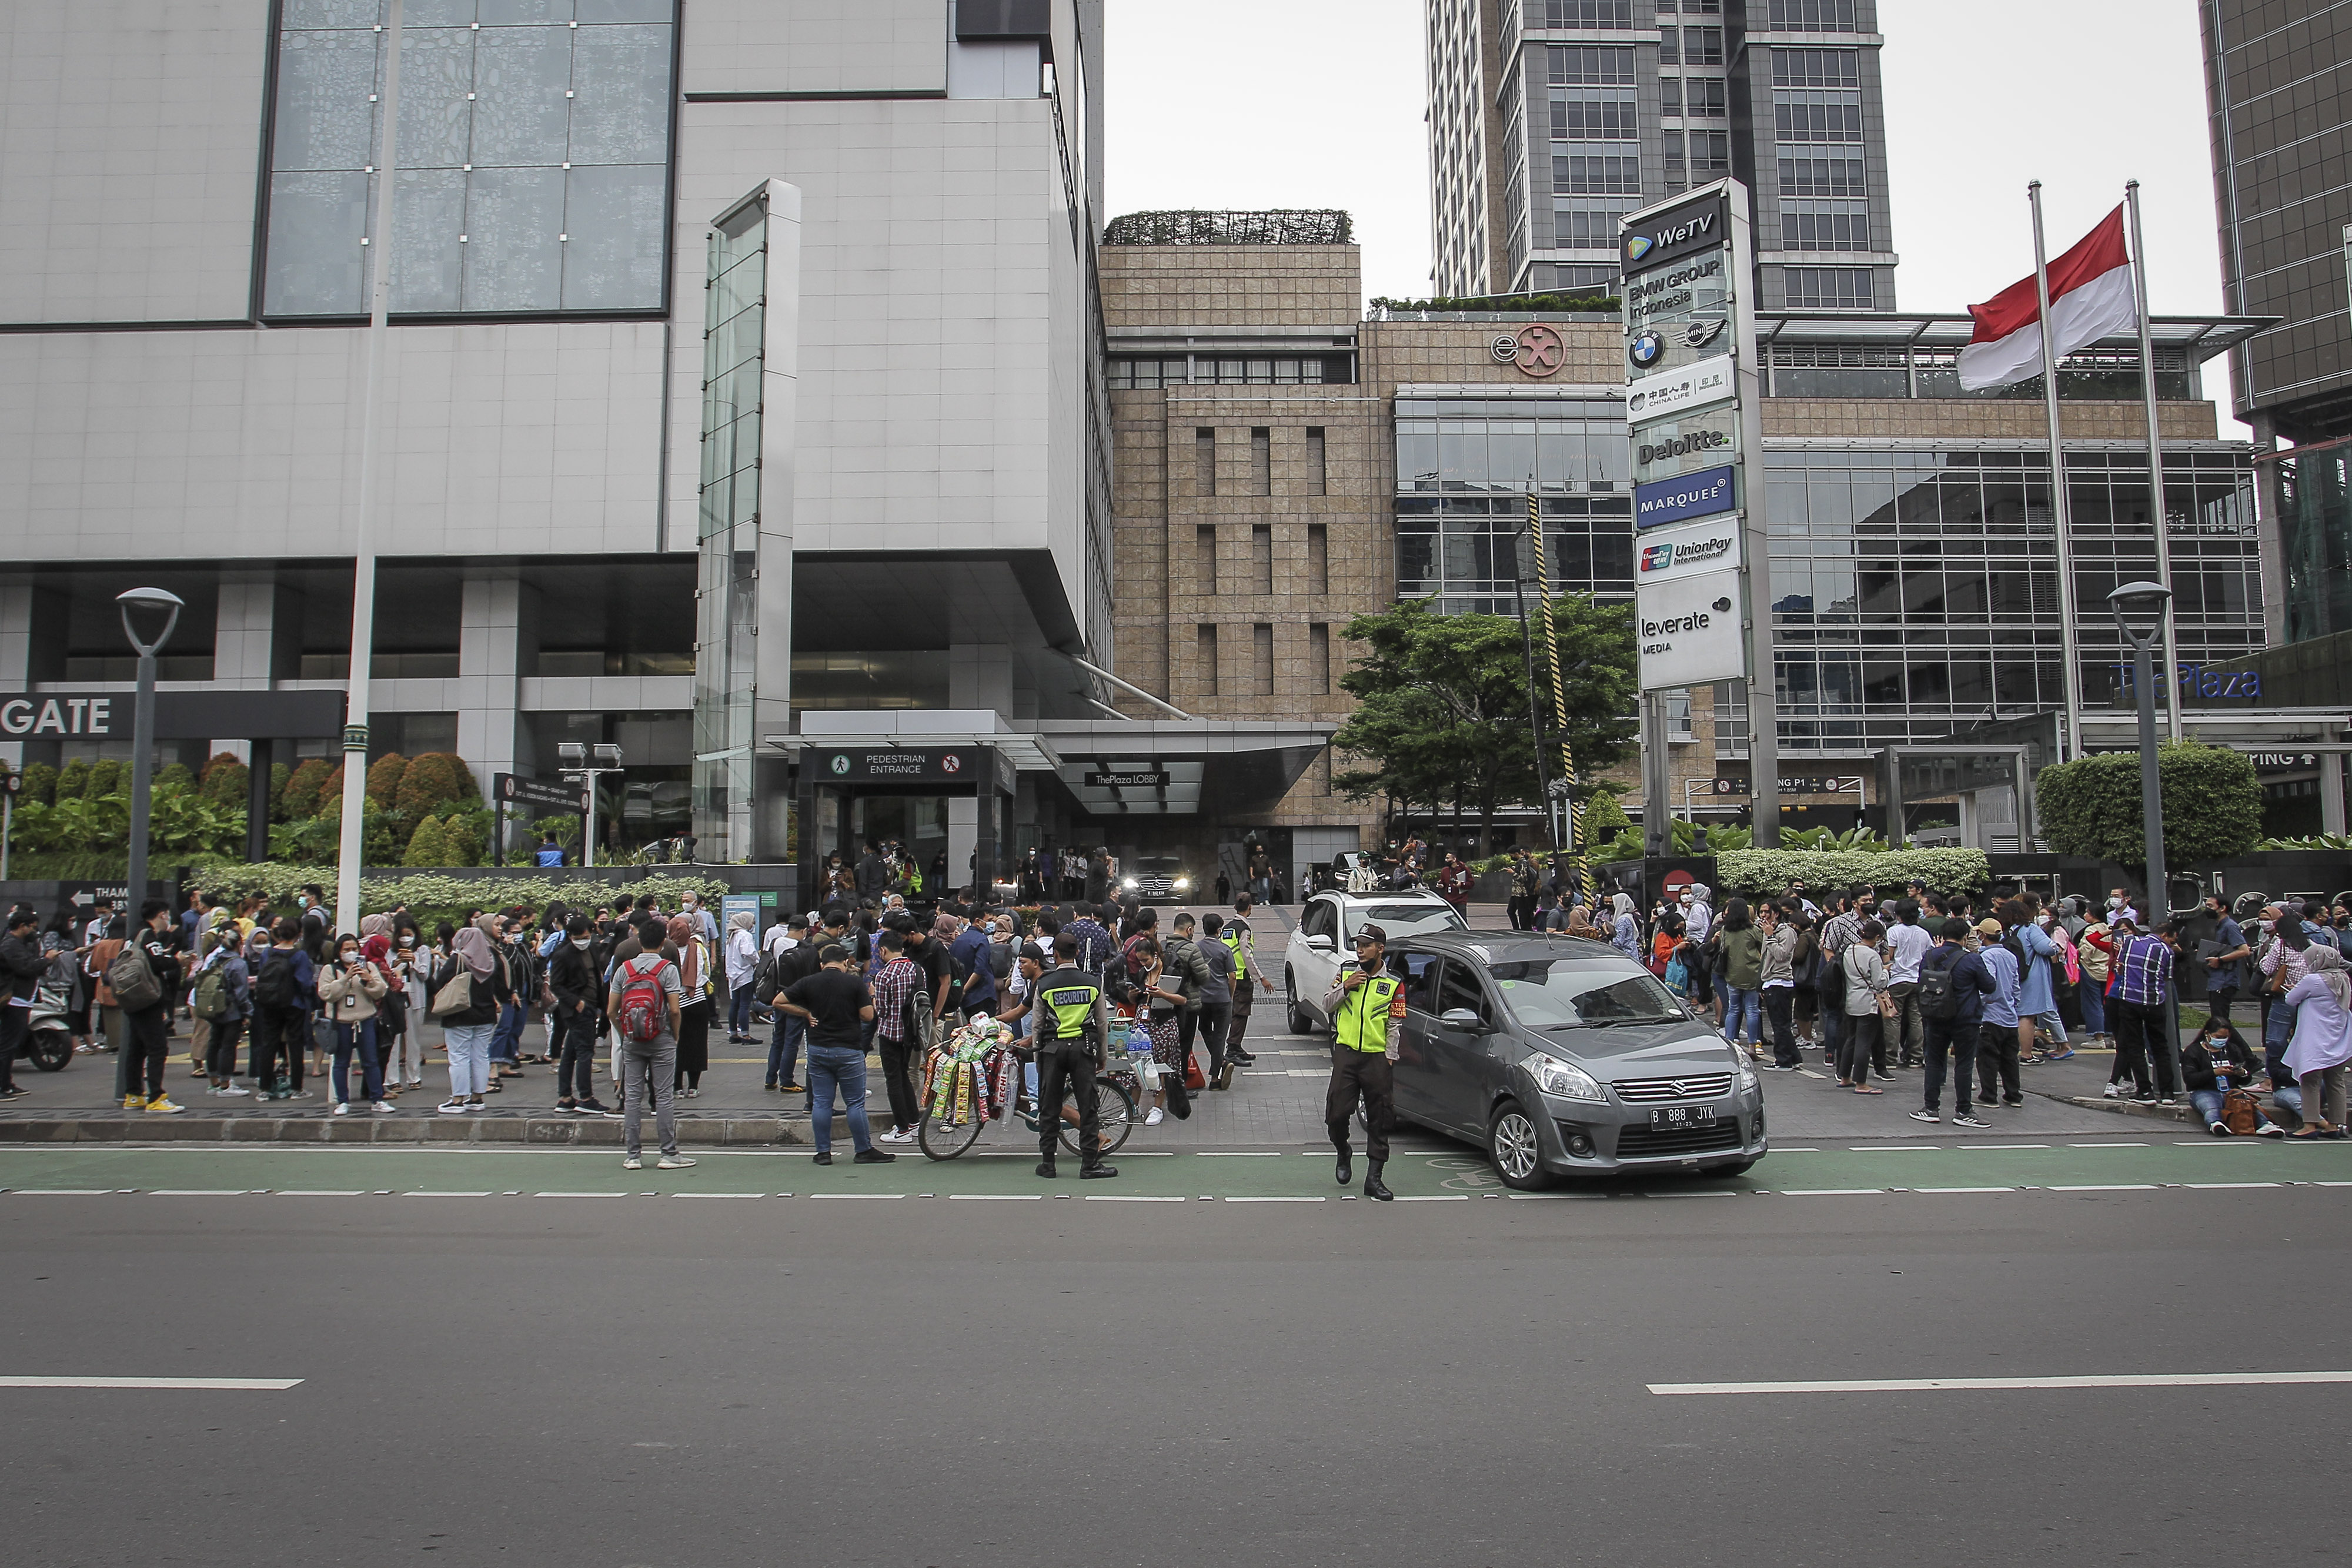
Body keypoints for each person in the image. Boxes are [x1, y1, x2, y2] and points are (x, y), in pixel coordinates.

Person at [998, 931, 1119, 1181]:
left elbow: (1037, 1025)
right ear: (1077, 953)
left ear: (1054, 955)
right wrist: (1102, 1056)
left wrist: (1038, 1058)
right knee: (1088, 1108)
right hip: (1083, 1050)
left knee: (1049, 1108)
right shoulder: (1092, 982)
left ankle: (1048, 1164)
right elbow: (1101, 1023)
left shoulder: (1044, 984)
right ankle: (1089, 1165)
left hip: (1052, 1051)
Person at [774, 943, 894, 1166]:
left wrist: (806, 1013)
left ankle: (823, 1153)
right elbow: (868, 1016)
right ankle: (863, 1150)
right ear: (845, 963)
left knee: (821, 1102)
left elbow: (778, 1001)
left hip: (818, 1049)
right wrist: (870, 998)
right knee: (855, 1103)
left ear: (822, 964)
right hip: (849, 1049)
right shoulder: (854, 983)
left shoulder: (809, 982)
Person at [604, 933, 695, 1171]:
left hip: (632, 1039)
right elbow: (674, 1010)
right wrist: (675, 1035)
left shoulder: (624, 970)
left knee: (633, 1097)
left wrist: (625, 1033)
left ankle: (633, 1156)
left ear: (640, 942)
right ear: (663, 943)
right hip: (661, 1037)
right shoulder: (668, 969)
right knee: (663, 1096)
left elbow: (611, 1011)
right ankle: (669, 1153)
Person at [1324, 925, 1401, 1201]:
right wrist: (1346, 987)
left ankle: (1374, 1178)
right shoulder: (1346, 972)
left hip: (1377, 1058)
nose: (1360, 950)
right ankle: (1343, 1151)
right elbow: (1327, 1004)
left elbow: (1395, 1023)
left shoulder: (1394, 982)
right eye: (1358, 945)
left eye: (1366, 945)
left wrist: (1389, 1057)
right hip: (1347, 1054)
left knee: (1380, 1117)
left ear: (1380, 949)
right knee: (1336, 1113)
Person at [1912, 918, 1993, 1127]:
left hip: (1935, 1016)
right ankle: (1964, 1110)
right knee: (1964, 1065)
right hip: (1966, 1018)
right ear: (1965, 937)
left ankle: (1930, 1108)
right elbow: (1989, 986)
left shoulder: (1930, 956)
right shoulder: (1972, 959)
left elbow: (1922, 980)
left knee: (1934, 1062)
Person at [113, 900, 186, 1114]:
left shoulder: (133, 935)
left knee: (137, 1048)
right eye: (167, 916)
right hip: (148, 998)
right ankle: (156, 1097)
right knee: (157, 1048)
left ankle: (134, 1095)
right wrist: (177, 960)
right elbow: (158, 962)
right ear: (162, 915)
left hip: (133, 997)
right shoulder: (148, 935)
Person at [433, 920, 510, 1115]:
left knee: (459, 1057)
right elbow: (502, 986)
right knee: (481, 1056)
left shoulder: (458, 959)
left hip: (460, 1014)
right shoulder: (491, 959)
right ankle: (477, 1098)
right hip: (486, 1016)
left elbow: (440, 982)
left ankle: (457, 1100)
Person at [316, 932, 392, 1115]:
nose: (351, 953)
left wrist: (368, 979)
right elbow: (326, 994)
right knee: (341, 1062)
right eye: (346, 949)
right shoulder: (330, 970)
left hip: (365, 1020)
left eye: (354, 949)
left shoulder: (369, 967)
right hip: (341, 1022)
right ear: (339, 952)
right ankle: (343, 1101)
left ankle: (377, 1099)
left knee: (371, 1061)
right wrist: (345, 978)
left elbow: (381, 991)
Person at [2108, 915, 2179, 1105]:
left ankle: (2145, 1092)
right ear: (2165, 935)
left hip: (2130, 1001)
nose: (2173, 944)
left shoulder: (2130, 943)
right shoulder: (2167, 952)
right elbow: (2167, 977)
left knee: (2135, 1047)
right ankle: (2168, 1093)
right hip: (2155, 1003)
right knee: (2160, 1047)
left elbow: (2120, 968)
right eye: (2173, 940)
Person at [2281, 944, 2350, 1139]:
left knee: (2310, 1080)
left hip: (2316, 1038)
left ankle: (2310, 1125)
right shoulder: (2343, 978)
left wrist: (2294, 990)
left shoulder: (2313, 980)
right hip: (2338, 1036)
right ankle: (2335, 1125)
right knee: (2336, 1081)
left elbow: (2291, 999)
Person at [548, 913, 611, 1115]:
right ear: (570, 936)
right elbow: (556, 985)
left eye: (585, 937)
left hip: (592, 1005)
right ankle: (586, 1097)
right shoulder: (563, 955)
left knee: (570, 1053)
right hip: (578, 1009)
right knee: (585, 1052)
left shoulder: (592, 948)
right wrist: (577, 1002)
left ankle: (565, 1097)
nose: (582, 941)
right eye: (578, 938)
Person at [867, 930, 926, 1144]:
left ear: (883, 950)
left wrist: (873, 996)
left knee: (893, 1080)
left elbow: (882, 1011)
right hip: (911, 1033)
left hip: (890, 1034)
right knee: (904, 1076)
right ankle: (914, 1121)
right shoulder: (917, 970)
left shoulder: (884, 976)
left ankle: (902, 1129)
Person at [2181, 1019, 2283, 1138]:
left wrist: (2242, 1073)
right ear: (2207, 1034)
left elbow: (2245, 1080)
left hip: (2231, 1091)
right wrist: (2214, 1073)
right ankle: (2215, 1124)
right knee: (2211, 1107)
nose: (2221, 1041)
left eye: (2225, 1038)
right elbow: (2190, 1079)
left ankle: (2265, 1125)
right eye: (2218, 1037)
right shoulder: (2193, 1051)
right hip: (2204, 1091)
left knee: (2249, 1106)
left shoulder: (2232, 1049)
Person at [1972, 917, 2025, 1109]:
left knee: (1988, 1058)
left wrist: (1979, 1004)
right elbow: (2016, 986)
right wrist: (2013, 1004)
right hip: (2009, 1016)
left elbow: (1989, 984)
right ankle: (2013, 1095)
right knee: (2010, 1059)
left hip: (1991, 1016)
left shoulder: (1987, 956)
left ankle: (1989, 1095)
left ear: (1983, 935)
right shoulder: (2010, 956)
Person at [764, 914, 817, 1094]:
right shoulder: (803, 948)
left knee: (778, 1039)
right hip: (796, 998)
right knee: (792, 1041)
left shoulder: (776, 943)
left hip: (779, 995)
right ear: (804, 931)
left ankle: (770, 1079)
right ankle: (787, 1080)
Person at [1220, 895, 1273, 1068]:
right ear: (1250, 907)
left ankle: (1236, 1047)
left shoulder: (1227, 928)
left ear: (1235, 907)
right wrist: (1261, 978)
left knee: (1235, 1013)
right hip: (1242, 977)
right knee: (1241, 1015)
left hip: (1228, 976)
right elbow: (1247, 956)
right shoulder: (1244, 929)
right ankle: (1232, 1050)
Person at [667, 914, 716, 1096]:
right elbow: (706, 973)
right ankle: (693, 1087)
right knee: (697, 1044)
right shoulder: (698, 949)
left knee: (675, 1044)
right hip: (697, 1000)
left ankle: (677, 1087)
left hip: (674, 1003)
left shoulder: (666, 950)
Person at [0, 908, 46, 1101]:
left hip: (23, 999)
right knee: (7, 1044)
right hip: (14, 1000)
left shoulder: (20, 944)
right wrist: (47, 960)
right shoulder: (10, 945)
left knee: (12, 1044)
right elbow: (25, 967)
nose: (34, 932)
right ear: (22, 927)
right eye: (32, 928)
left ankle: (7, 1084)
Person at [1883, 900, 1931, 1069]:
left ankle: (1890, 1057)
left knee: (1893, 1018)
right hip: (1917, 979)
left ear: (1898, 915)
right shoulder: (1924, 934)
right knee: (1916, 1019)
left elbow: (1888, 955)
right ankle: (1916, 1057)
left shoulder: (1894, 931)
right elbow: (1928, 955)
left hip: (1897, 979)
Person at [1713, 898, 1763, 1058]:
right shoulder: (1753, 930)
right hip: (1752, 973)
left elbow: (1723, 949)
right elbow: (1763, 946)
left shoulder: (1725, 930)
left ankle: (1730, 1042)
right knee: (1752, 1010)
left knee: (1733, 1009)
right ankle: (1752, 1045)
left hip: (1732, 974)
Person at [1756, 902, 1802, 1069]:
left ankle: (1783, 1061)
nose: (1763, 916)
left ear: (1776, 914)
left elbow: (1781, 955)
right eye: (1761, 912)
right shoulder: (1768, 931)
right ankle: (1794, 1058)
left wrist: (1770, 937)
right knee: (1781, 1024)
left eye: (1766, 912)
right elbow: (1764, 959)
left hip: (1781, 982)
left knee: (1780, 1025)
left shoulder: (1786, 932)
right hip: (1770, 981)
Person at [2201, 894, 2251, 1032]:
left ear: (2222, 908)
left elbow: (2244, 951)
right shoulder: (2220, 926)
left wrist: (2220, 960)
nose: (2207, 909)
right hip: (2217, 980)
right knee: (2219, 1021)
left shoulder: (2230, 926)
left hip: (2225, 981)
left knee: (2221, 1022)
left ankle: (2236, 1045)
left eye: (2210, 906)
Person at [723, 909, 760, 1044]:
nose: (752, 925)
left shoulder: (732, 935)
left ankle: (734, 1034)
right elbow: (748, 952)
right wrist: (756, 960)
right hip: (744, 973)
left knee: (735, 1004)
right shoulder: (745, 935)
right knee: (745, 1005)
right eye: (752, 922)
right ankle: (746, 1035)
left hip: (734, 974)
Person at [1609, 892, 1641, 962]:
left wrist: (1607, 932)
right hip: (1631, 955)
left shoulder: (1622, 921)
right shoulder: (1629, 917)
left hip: (1625, 957)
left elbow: (1618, 943)